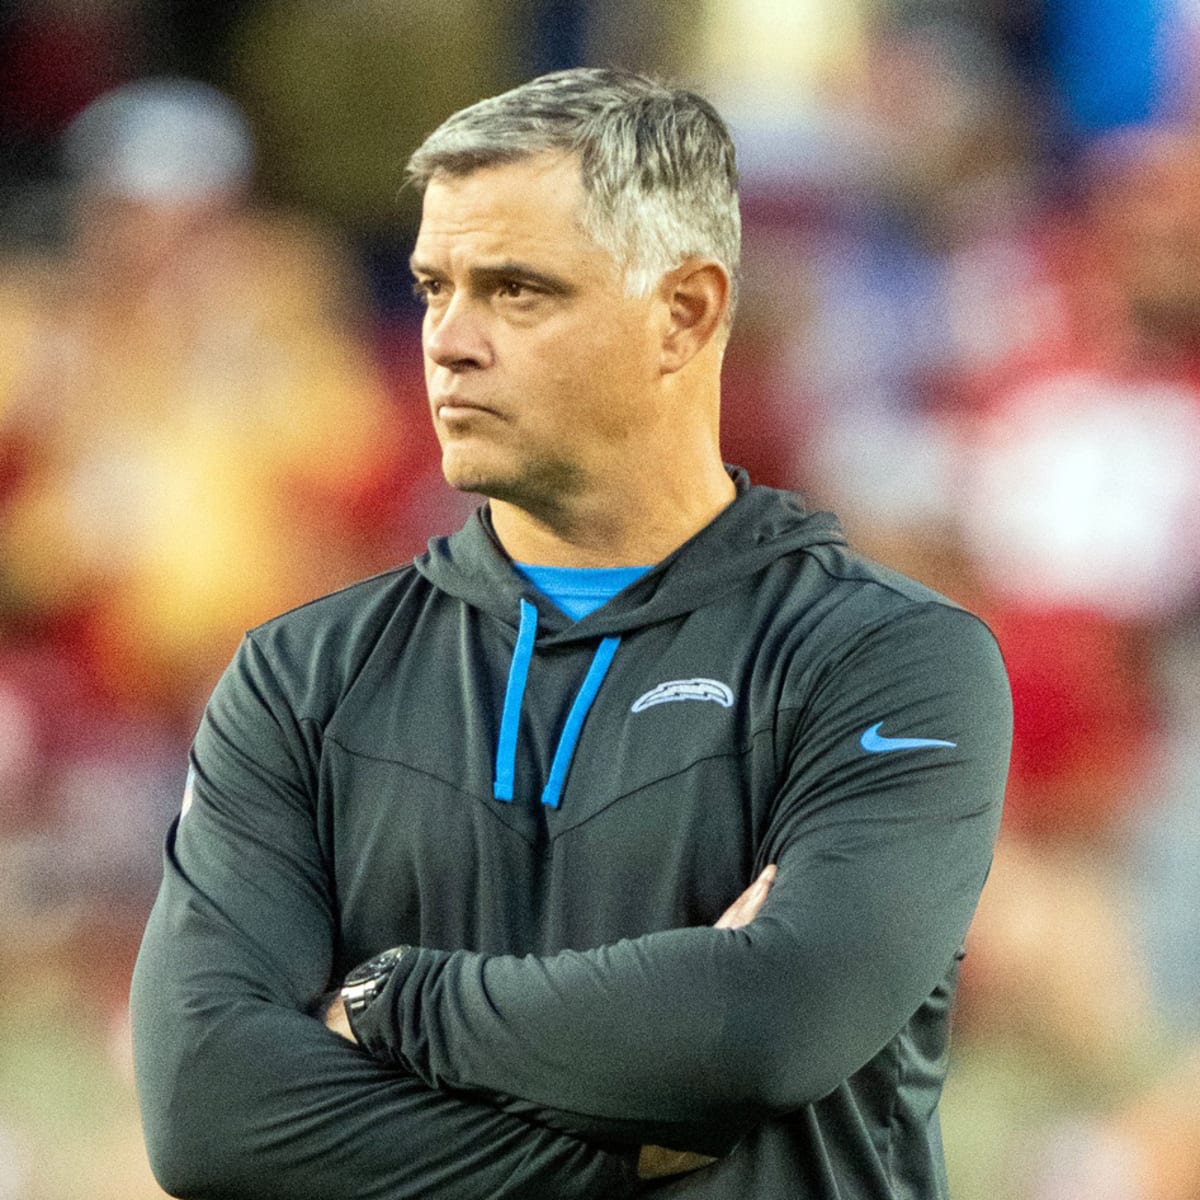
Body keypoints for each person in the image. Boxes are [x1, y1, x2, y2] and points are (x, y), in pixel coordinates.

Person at [130, 67, 1011, 1199]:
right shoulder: (300, 676)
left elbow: (771, 1023)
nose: (447, 340)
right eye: (433, 287)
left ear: (685, 313)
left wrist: (395, 1001)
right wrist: (630, 1146)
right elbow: (208, 1113)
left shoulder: (887, 659)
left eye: (516, 291)